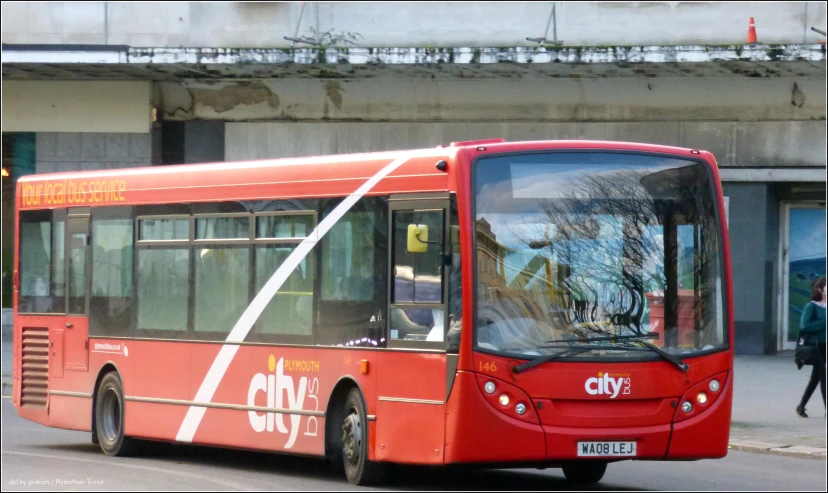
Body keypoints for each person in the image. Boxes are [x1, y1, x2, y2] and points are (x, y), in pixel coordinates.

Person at [796, 276, 827, 418]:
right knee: (824, 376)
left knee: (816, 377)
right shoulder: (811, 306)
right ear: (820, 290)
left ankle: (801, 406)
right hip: (815, 347)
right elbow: (805, 326)